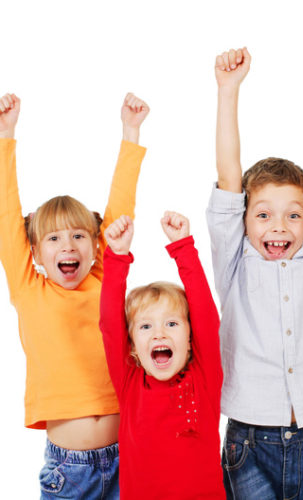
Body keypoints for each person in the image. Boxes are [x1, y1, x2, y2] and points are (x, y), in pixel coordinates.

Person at [208, 37, 303, 499]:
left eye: (293, 214)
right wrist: (227, 91)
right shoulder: (235, 261)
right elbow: (230, 174)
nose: (280, 225)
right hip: (249, 439)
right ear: (245, 219)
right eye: (264, 214)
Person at [0, 92, 147, 498]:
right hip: (70, 471)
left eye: (79, 236)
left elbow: (119, 213)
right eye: (54, 238)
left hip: (128, 458)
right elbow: (7, 215)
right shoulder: (30, 290)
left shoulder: (103, 278)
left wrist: (130, 133)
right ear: (34, 251)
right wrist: (5, 136)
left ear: (95, 245)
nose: (68, 246)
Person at [100, 212, 224, 499]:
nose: (159, 334)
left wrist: (183, 249)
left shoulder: (204, 379)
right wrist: (117, 257)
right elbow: (109, 325)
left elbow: (206, 316)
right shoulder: (130, 383)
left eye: (171, 323)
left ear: (191, 340)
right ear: (132, 346)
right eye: (145, 326)